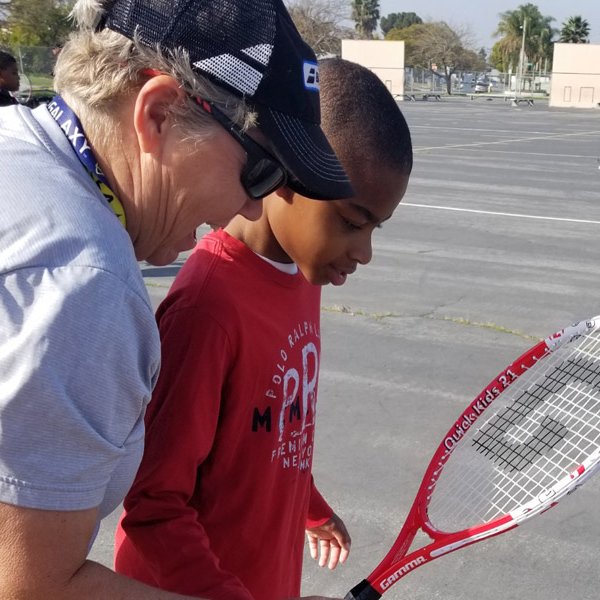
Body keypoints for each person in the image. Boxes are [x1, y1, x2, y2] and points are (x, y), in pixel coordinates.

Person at [0, 0, 353, 598]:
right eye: (260, 171)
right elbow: (26, 588)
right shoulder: (84, 287)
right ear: (157, 114)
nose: (254, 206)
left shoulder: (9, 147)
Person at [113, 57, 413, 600]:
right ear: (283, 174)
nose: (365, 251)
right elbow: (153, 506)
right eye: (352, 221)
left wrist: (309, 507)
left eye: (377, 227)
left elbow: (271, 434)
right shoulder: (206, 310)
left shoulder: (303, 277)